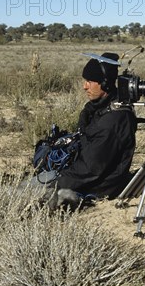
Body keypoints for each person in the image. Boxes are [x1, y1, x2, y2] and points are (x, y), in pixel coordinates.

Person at [35, 52, 137, 198]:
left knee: (29, 192)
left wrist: (55, 182)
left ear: (105, 83)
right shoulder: (99, 108)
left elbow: (90, 169)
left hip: (97, 188)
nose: (84, 86)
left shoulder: (113, 120)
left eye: (90, 81)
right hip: (79, 176)